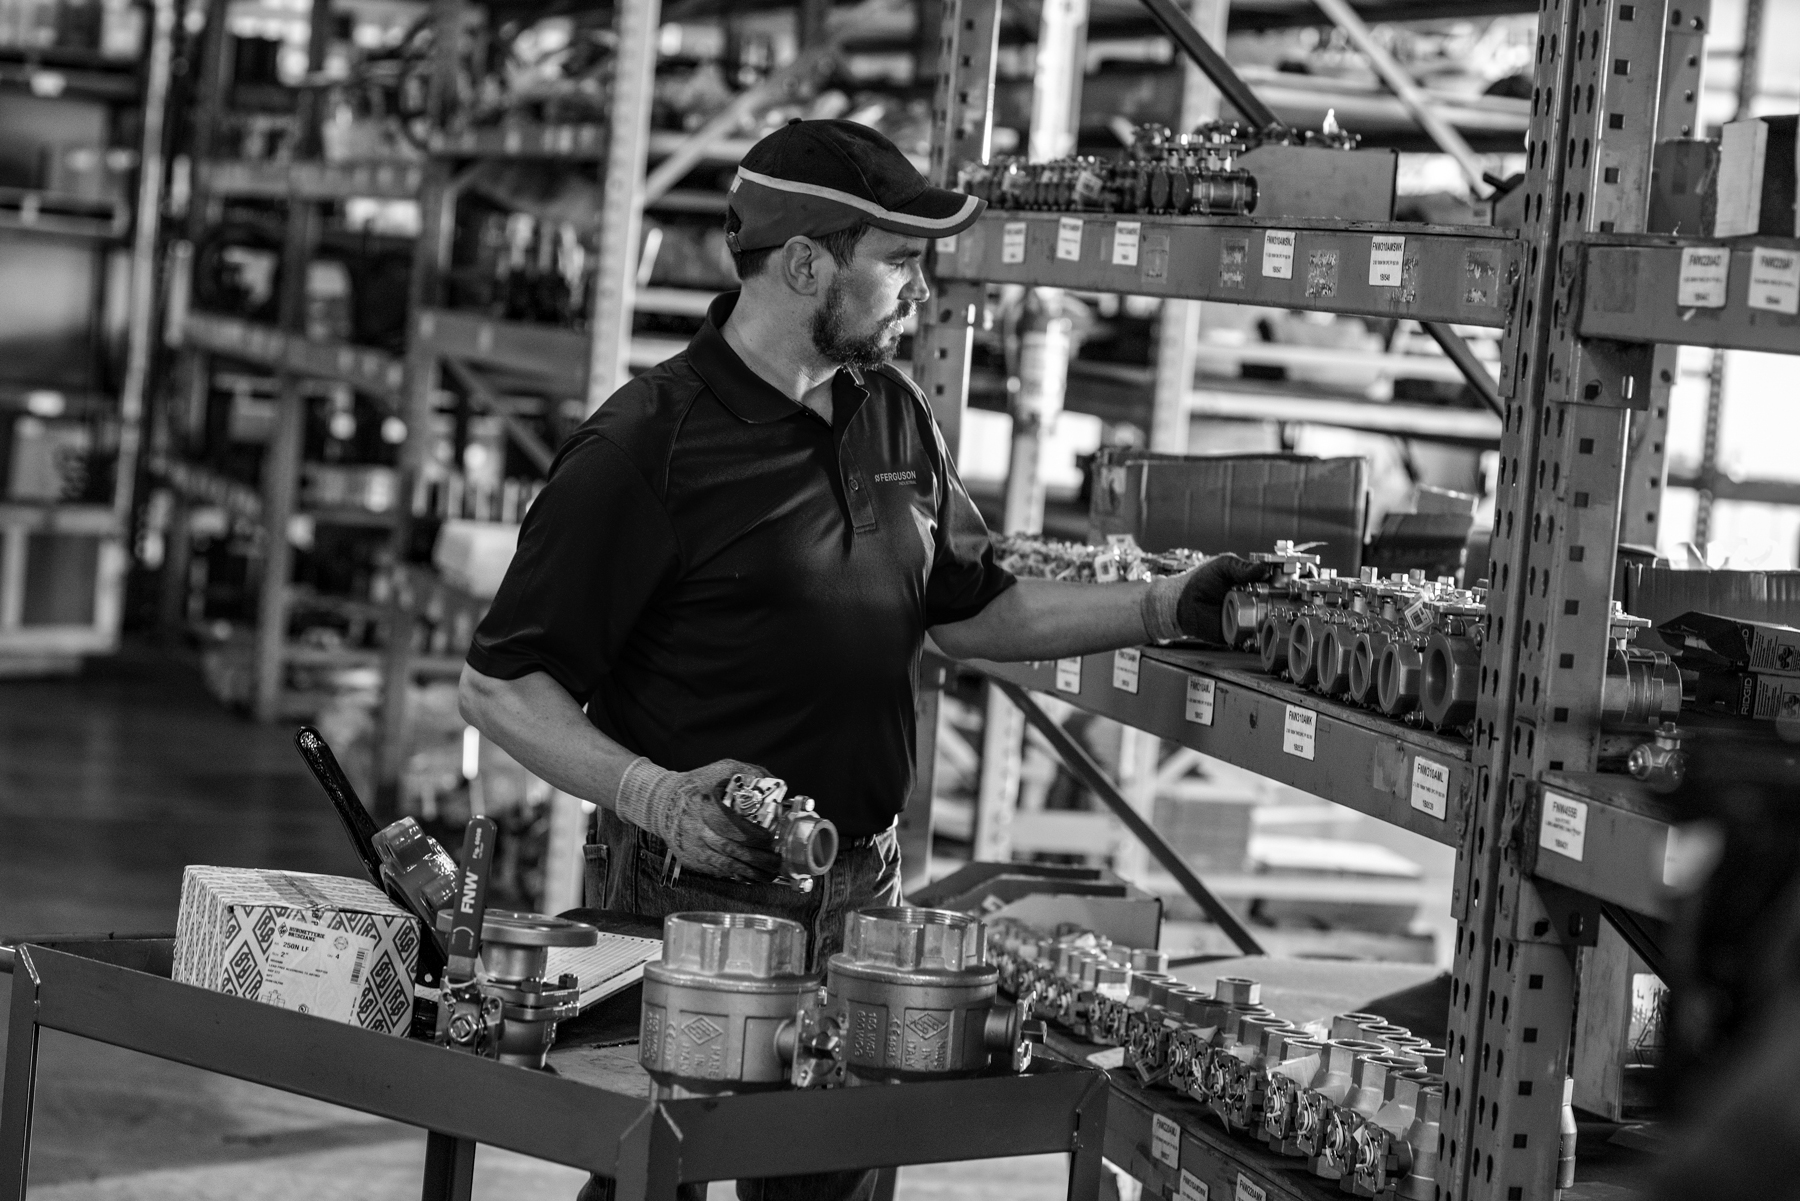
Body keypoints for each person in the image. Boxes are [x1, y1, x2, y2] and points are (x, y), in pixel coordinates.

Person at [458, 119, 1269, 1201]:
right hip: (692, 885)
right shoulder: (644, 446)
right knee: (662, 1167)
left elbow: (970, 612)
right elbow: (502, 680)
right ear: (804, 264)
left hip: (859, 883)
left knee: (830, 1181)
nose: (920, 293)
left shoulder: (892, 413)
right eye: (898, 261)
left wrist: (1166, 605)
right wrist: (649, 794)